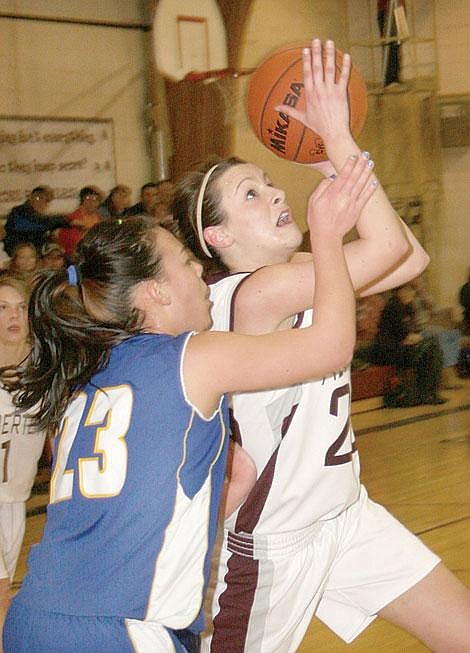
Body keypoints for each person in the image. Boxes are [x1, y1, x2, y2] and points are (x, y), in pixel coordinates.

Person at [3, 155, 377, 653]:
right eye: (185, 262)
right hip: (119, 628)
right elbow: (330, 346)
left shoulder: (88, 374)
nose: (199, 268)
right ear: (156, 292)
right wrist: (326, 237)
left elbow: (219, 476)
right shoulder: (190, 358)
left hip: (34, 618)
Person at [173, 38, 470, 653]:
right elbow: (388, 249)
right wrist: (337, 140)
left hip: (345, 518)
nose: (277, 194)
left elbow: (411, 255)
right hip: (272, 543)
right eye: (250, 194)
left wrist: (330, 164)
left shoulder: (307, 272)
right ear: (217, 235)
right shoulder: (254, 295)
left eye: (269, 182)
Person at [0, 277, 46, 650]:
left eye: (19, 306)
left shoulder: (42, 367)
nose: (12, 315)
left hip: (14, 499)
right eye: (2, 307)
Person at [369, 283, 446, 406]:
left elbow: (414, 333)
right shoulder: (393, 307)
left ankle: (429, 393)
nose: (412, 294)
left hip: (404, 348)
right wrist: (416, 338)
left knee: (433, 347)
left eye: (412, 291)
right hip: (390, 351)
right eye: (409, 291)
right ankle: (427, 394)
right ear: (400, 291)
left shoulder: (408, 307)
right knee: (431, 347)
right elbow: (406, 337)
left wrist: (416, 338)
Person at [4, 186, 67, 256]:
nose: (42, 203)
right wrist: (68, 221)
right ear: (31, 197)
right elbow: (39, 224)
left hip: (35, 254)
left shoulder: (40, 217)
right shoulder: (19, 212)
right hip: (18, 256)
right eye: (39, 198)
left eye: (47, 201)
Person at [56, 186, 103, 258]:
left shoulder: (99, 217)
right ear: (82, 200)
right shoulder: (72, 219)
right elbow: (70, 246)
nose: (91, 202)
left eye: (95, 199)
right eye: (87, 198)